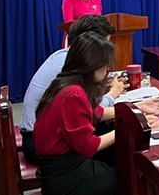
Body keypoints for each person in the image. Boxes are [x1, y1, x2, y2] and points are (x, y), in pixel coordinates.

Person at [20, 15, 121, 165]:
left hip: (44, 135)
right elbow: (88, 138)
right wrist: (113, 94)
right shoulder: (70, 74)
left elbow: (91, 112)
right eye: (103, 45)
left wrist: (132, 110)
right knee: (117, 150)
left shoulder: (66, 57)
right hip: (42, 144)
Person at [34, 32, 118, 195]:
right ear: (91, 64)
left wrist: (136, 110)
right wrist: (124, 129)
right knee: (129, 175)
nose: (108, 69)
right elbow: (89, 146)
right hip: (66, 176)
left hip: (56, 168)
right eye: (105, 64)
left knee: (113, 160)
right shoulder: (74, 93)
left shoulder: (65, 83)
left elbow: (95, 113)